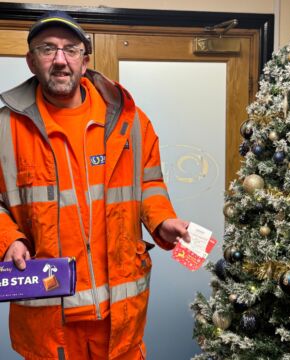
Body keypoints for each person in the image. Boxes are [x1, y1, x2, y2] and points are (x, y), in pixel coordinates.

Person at [0, 10, 190, 360]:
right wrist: (7, 239)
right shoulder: (4, 128)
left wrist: (163, 220)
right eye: (47, 49)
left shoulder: (129, 120)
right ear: (30, 61)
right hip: (48, 318)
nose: (60, 60)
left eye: (70, 49)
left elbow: (149, 184)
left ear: (84, 61)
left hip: (120, 316)